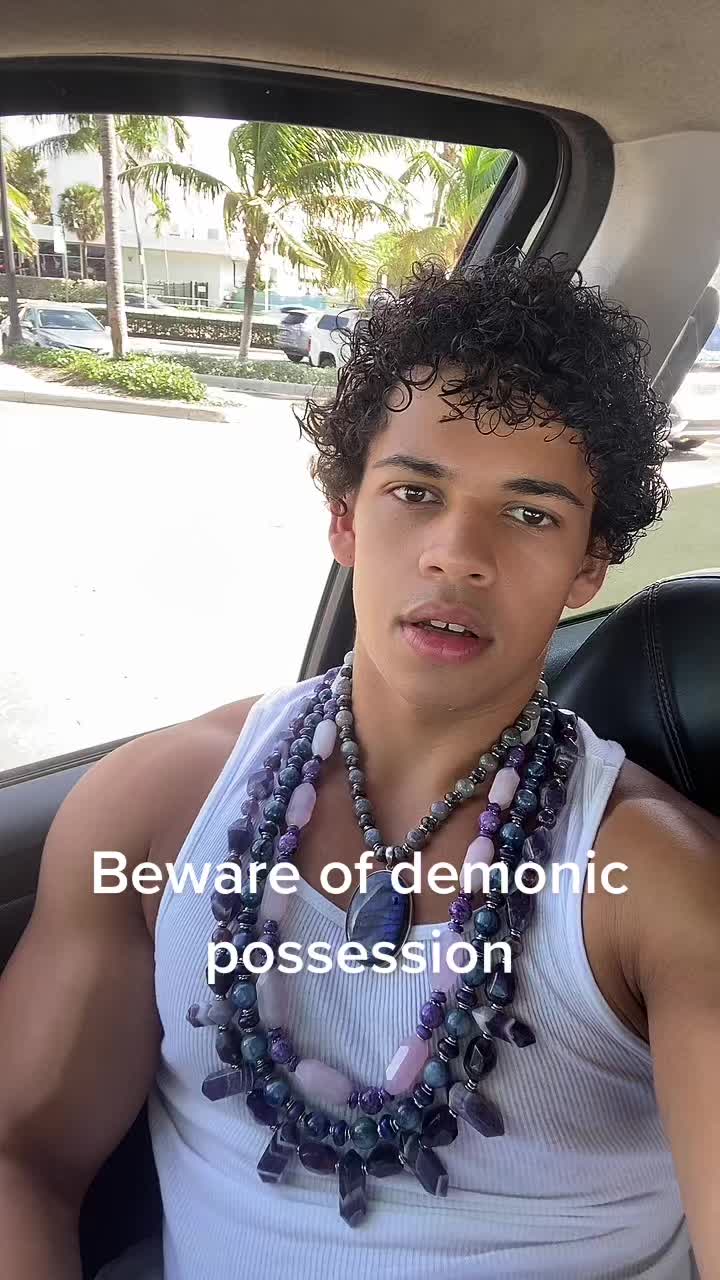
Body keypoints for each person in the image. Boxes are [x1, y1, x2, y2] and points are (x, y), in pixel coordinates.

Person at [0, 257, 718, 1280]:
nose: (457, 554)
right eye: (415, 492)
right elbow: (21, 1154)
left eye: (530, 513)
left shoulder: (660, 883)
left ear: (588, 566)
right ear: (344, 517)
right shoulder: (156, 810)